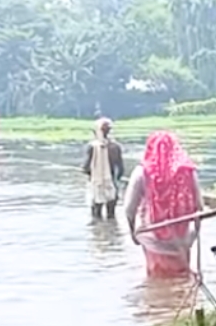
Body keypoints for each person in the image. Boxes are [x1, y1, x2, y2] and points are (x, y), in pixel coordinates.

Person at [125, 131, 204, 278]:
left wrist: (133, 233)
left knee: (157, 281)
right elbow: (199, 207)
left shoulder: (142, 172)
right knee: (181, 278)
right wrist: (193, 235)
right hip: (182, 238)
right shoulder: (188, 172)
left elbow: (129, 209)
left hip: (153, 238)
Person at [82, 117, 125, 219]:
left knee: (96, 216)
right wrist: (116, 180)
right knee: (111, 215)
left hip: (97, 184)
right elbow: (121, 169)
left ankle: (99, 233)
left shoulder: (91, 147)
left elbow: (86, 168)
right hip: (111, 184)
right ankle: (111, 233)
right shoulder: (116, 147)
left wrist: (90, 174)